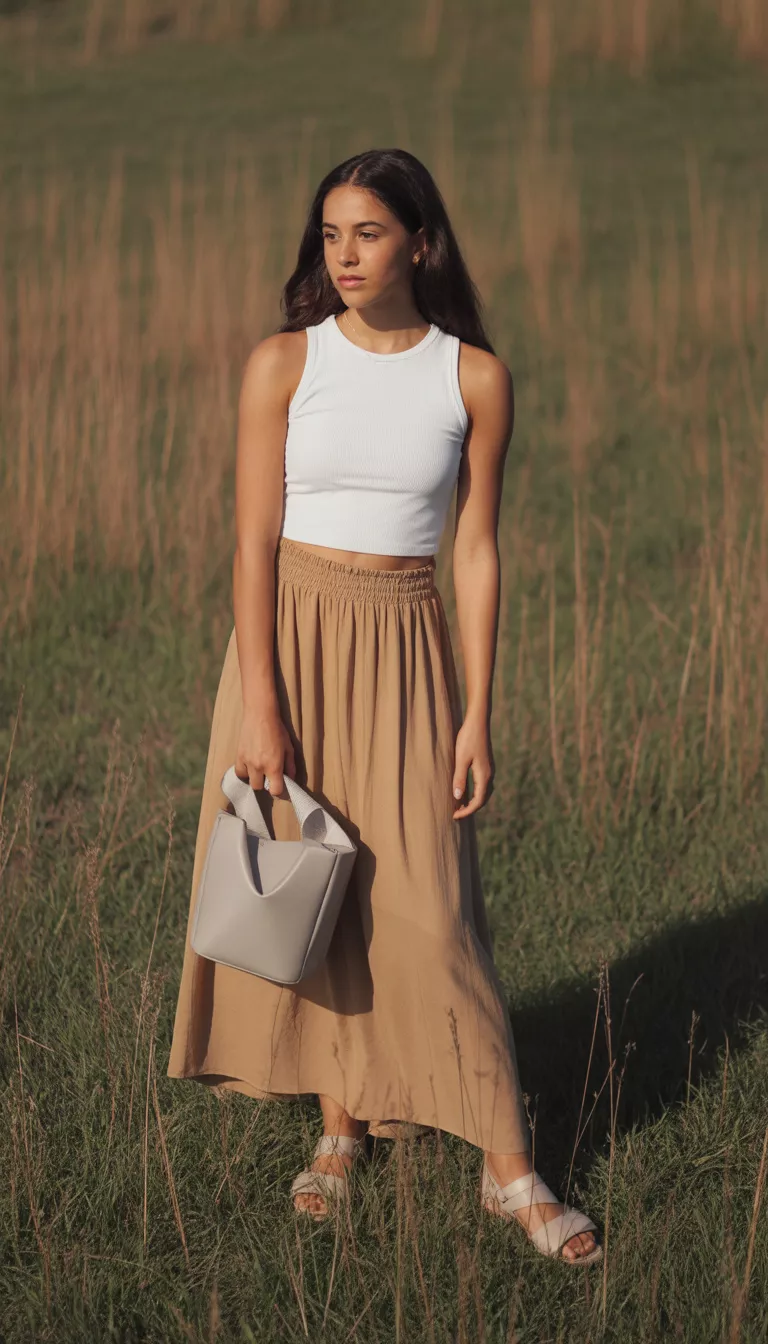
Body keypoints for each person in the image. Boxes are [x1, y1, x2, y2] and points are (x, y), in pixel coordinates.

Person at [167, 148, 601, 1265]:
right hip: (289, 645)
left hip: (408, 654)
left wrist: (477, 711)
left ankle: (509, 1169)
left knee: (434, 916)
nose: (345, 256)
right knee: (318, 894)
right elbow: (251, 545)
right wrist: (261, 702)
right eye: (330, 235)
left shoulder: (474, 379)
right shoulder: (284, 363)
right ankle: (340, 1130)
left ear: (420, 240)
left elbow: (477, 550)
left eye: (367, 232)